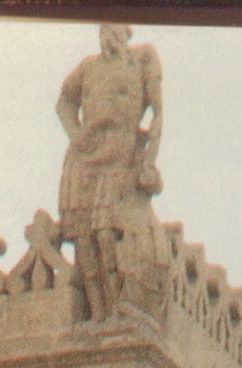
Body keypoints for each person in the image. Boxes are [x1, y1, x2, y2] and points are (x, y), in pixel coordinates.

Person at [56, 24, 164, 322]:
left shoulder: (143, 60)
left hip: (121, 154)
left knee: (106, 232)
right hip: (86, 156)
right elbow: (64, 102)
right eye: (103, 28)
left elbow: (157, 113)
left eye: (113, 28)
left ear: (125, 32)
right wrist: (76, 134)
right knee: (83, 238)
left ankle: (115, 310)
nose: (107, 34)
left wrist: (149, 159)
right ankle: (98, 314)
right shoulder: (88, 67)